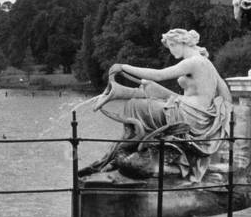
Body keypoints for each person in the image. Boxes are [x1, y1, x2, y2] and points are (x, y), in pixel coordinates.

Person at [92, 29, 231, 183]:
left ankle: (131, 149)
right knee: (148, 94)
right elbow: (224, 90)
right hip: (197, 114)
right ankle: (130, 150)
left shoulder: (193, 62)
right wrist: (223, 114)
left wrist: (124, 67)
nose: (171, 50)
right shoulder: (206, 62)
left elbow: (159, 75)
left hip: (189, 116)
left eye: (172, 45)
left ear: (182, 43)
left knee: (135, 105)